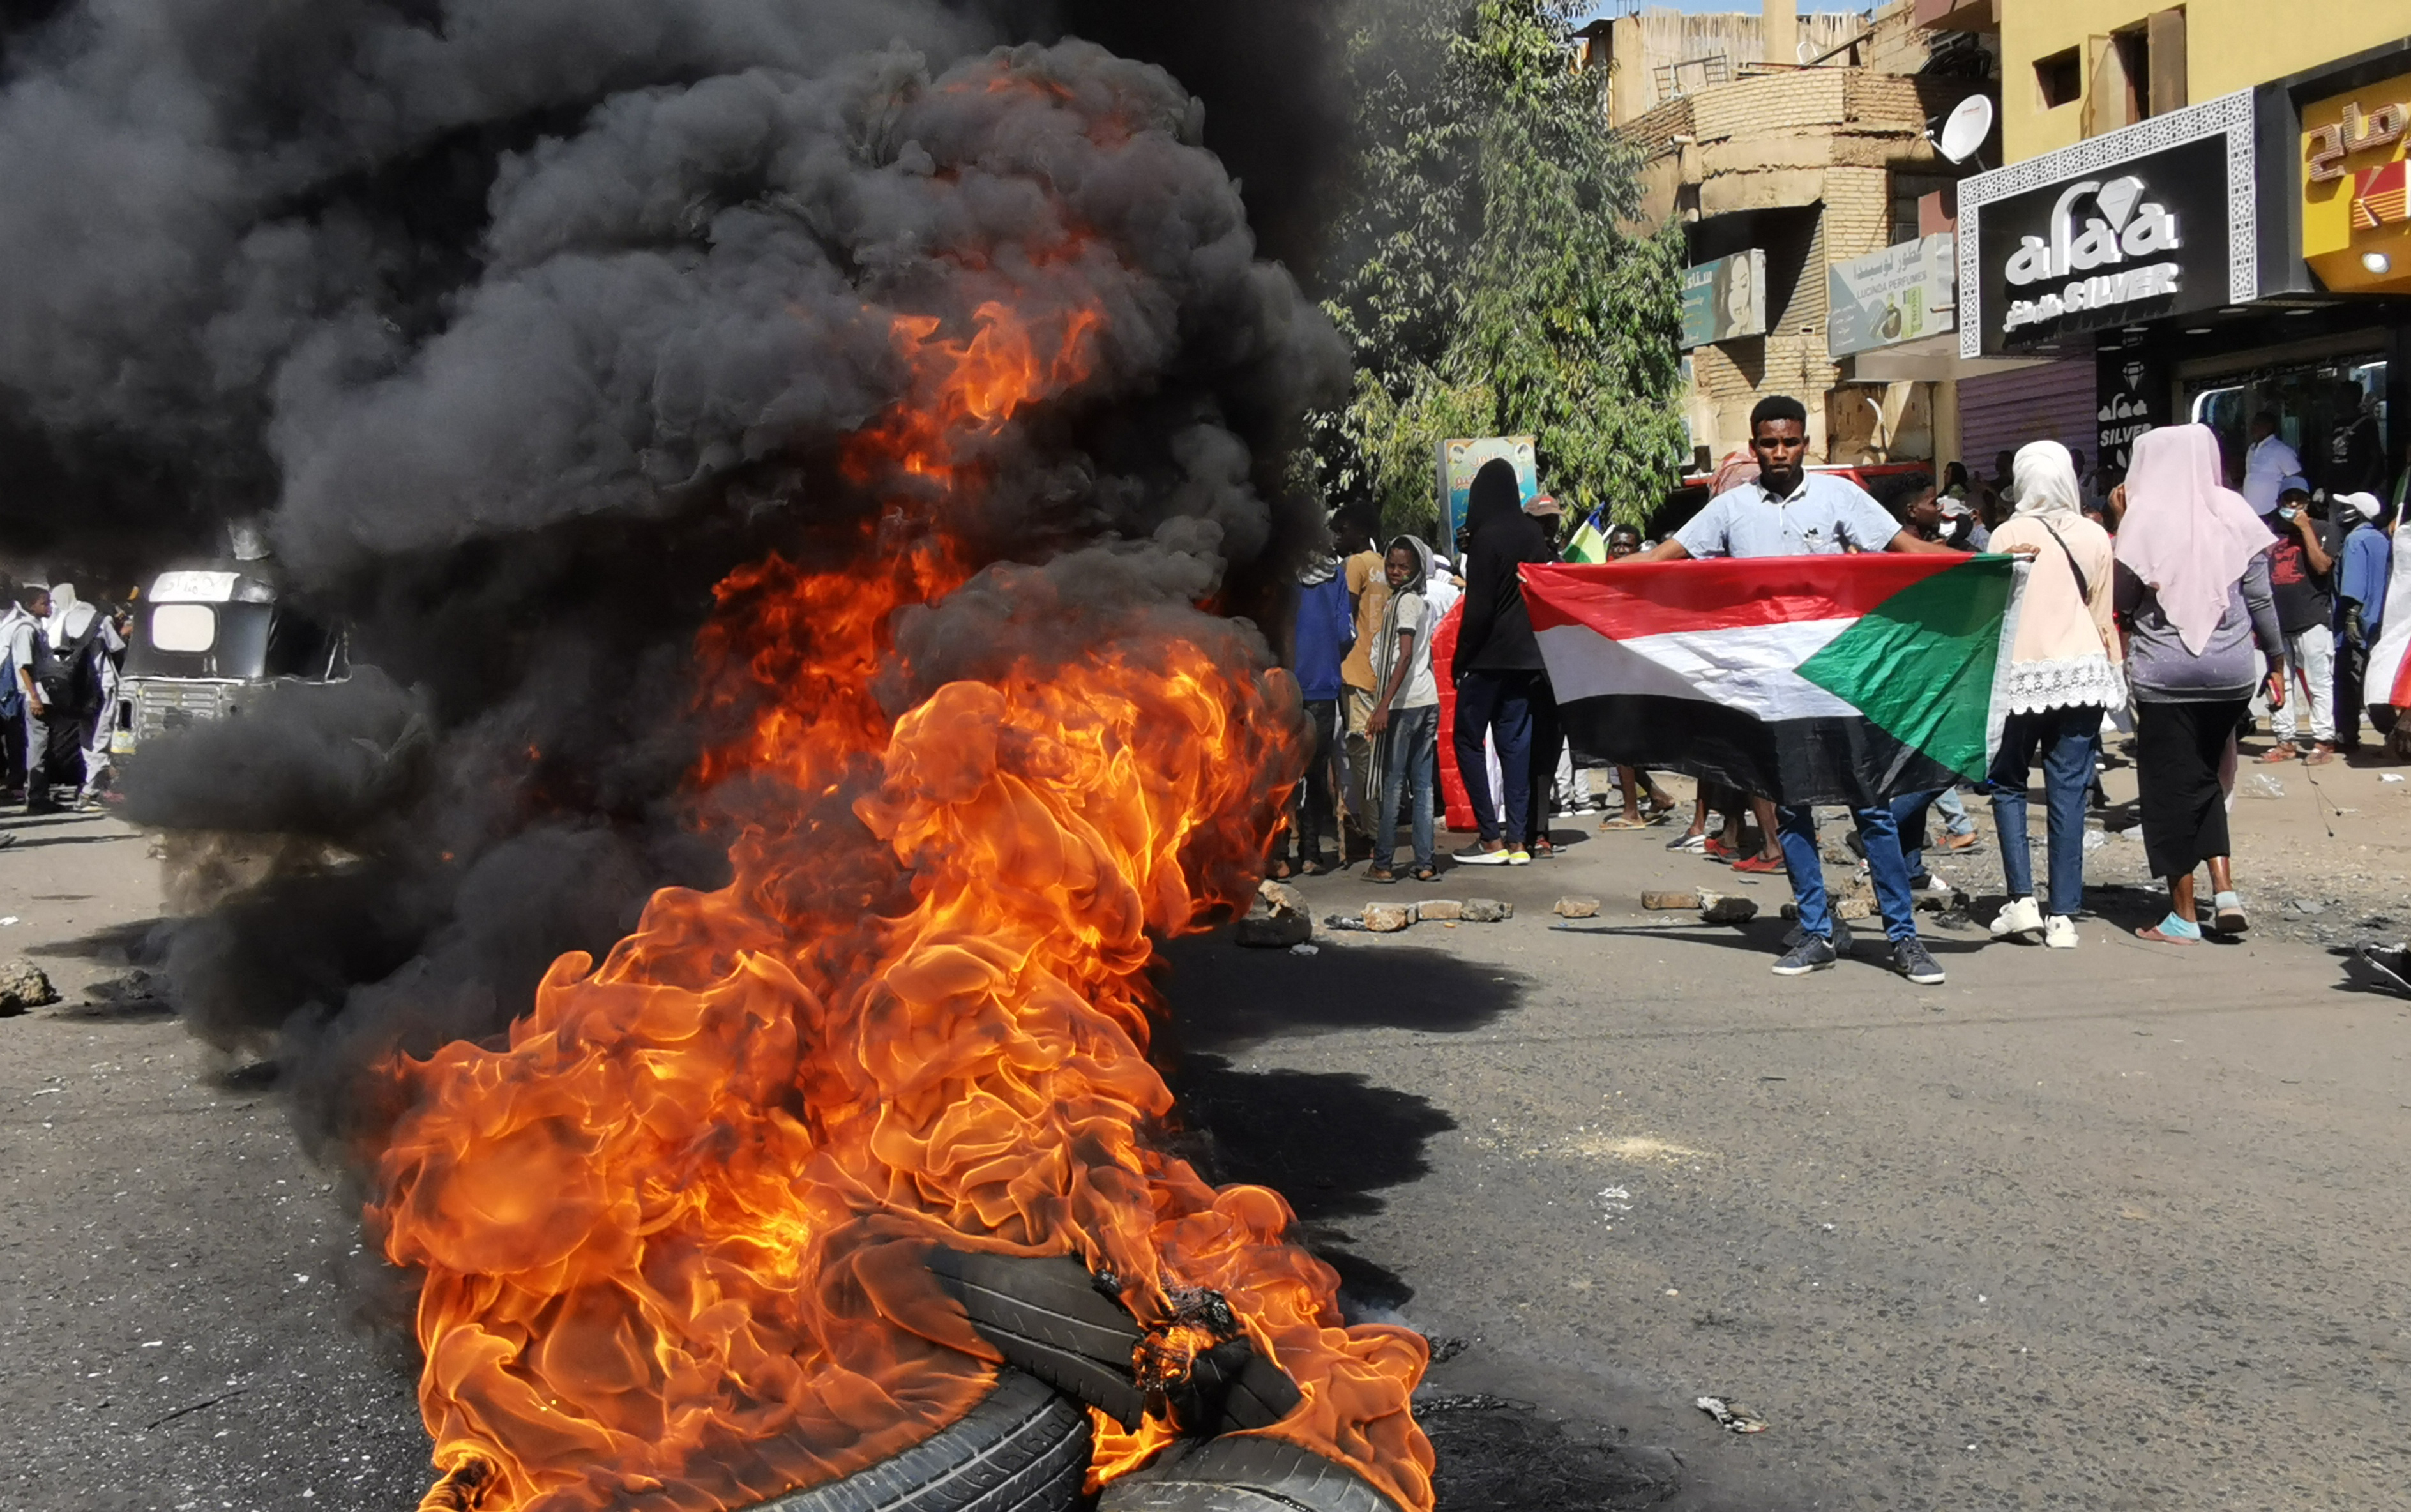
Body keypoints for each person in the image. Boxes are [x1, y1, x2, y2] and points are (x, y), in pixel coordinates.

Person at [1620, 393, 1961, 982]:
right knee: (1793, 810)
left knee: (1872, 810)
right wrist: (1574, 576)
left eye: (1790, 441)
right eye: (1769, 443)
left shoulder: (1839, 497)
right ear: (1754, 448)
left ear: (1806, 443)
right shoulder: (1731, 509)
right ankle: (1816, 930)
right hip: (1775, 689)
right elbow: (1663, 558)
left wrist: (1987, 562)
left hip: (1841, 679)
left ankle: (1904, 940)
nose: (1780, 452)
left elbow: (1908, 552)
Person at [2115, 424, 2288, 945]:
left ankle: (2183, 915)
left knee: (2169, 793)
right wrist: (2276, 659)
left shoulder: (2143, 520)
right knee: (2211, 780)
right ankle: (2226, 890)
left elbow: (2124, 600)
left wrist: (2124, 525)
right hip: (2232, 674)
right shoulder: (2234, 511)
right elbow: (2260, 600)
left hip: (2166, 676)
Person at [1974, 441, 2122, 948]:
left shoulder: (2007, 533)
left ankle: (2022, 901)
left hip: (2018, 674)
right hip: (2082, 672)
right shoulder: (2095, 535)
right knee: (2069, 791)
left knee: (2008, 783)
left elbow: (1989, 610)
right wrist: (2116, 674)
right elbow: (2103, 615)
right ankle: (2064, 912)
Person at [1450, 459, 1557, 865]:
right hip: (1526, 659)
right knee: (1516, 747)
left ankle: (1489, 838)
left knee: (1468, 739)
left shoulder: (1486, 538)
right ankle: (1518, 842)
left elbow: (1479, 607)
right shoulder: (1532, 533)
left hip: (1487, 659)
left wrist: (1461, 659)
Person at [1365, 536, 1442, 883]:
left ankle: (1383, 863)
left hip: (1406, 704)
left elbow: (1405, 653)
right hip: (1427, 700)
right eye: (1392, 565)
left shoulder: (1407, 604)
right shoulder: (1413, 601)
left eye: (1403, 567)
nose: (1395, 572)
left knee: (1394, 784)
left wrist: (1383, 705)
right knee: (1423, 786)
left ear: (1416, 570)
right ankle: (1425, 863)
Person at [1280, 548, 1354, 877]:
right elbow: (1344, 633)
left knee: (1282, 773)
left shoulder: (1283, 574)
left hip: (1285, 684)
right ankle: (1311, 854)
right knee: (1315, 770)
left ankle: (1279, 856)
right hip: (1324, 684)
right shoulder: (1336, 575)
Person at [2258, 483, 2336, 764]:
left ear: (2307, 504)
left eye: (2299, 501)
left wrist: (2305, 529)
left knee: (2319, 681)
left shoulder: (2324, 529)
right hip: (2276, 622)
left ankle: (2324, 741)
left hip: (2312, 618)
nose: (2292, 507)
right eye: (2287, 501)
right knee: (2279, 683)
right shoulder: (2271, 533)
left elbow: (2322, 566)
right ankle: (2285, 741)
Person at [1338, 518, 1390, 859]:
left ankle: (1374, 837)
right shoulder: (1388, 566)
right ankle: (1381, 829)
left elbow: (1346, 615)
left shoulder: (1356, 564)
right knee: (1381, 759)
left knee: (1362, 756)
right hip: (1383, 672)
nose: (1339, 537)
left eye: (1343, 529)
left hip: (1356, 671)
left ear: (1357, 532)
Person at [2334, 490, 2393, 753]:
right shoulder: (2381, 539)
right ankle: (2392, 733)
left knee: (2349, 682)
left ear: (2355, 513)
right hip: (2382, 621)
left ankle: (2347, 736)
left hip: (2358, 624)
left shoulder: (2356, 540)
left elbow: (2353, 588)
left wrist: (2350, 618)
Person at [7, 584, 60, 814]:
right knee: (37, 747)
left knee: (44, 745)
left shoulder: (38, 628)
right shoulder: (26, 629)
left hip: (45, 695)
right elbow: (24, 667)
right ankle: (36, 798)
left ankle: (41, 793)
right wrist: (34, 697)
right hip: (36, 696)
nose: (49, 607)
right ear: (31, 605)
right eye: (44, 603)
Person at [2241, 411, 2301, 517]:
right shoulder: (2252, 450)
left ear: (2269, 426)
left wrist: (2287, 503)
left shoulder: (2281, 451)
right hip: (2251, 513)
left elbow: (2297, 478)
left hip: (2272, 512)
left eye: (2258, 424)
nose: (2253, 428)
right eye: (2253, 424)